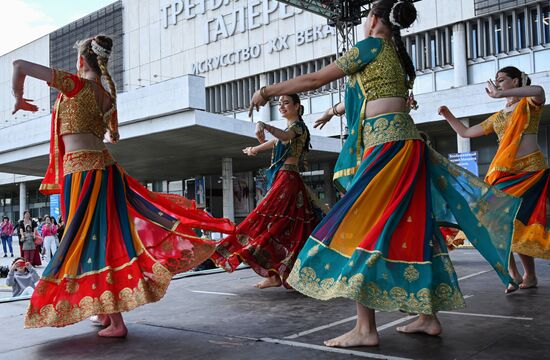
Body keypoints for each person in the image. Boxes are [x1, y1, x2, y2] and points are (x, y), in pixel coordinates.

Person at [248, 0, 520, 347]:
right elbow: (370, 95)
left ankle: (365, 329)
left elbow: (316, 78)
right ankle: (427, 316)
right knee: (413, 225)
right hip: (407, 144)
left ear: (374, 18)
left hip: (387, 146)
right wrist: (333, 112)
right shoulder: (398, 56)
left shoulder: (370, 46)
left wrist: (268, 90)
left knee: (362, 223)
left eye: (366, 17)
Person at [12, 35, 235, 337]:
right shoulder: (105, 92)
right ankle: (107, 314)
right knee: (103, 239)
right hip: (101, 170)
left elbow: (19, 64)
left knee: (89, 242)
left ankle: (116, 321)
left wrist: (18, 97)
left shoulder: (76, 86)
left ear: (81, 61)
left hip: (82, 173)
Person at [439, 66, 548, 293]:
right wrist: (448, 115)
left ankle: (530, 275)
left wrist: (502, 95)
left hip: (530, 175)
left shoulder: (529, 104)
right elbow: (466, 133)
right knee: (493, 222)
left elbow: (539, 89)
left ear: (516, 81)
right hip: (503, 176)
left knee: (520, 224)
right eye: (496, 80)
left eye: (502, 79)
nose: (497, 83)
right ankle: (512, 274)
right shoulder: (498, 117)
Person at [212, 94, 323, 288]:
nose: (281, 106)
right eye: (279, 103)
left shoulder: (298, 128)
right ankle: (276, 274)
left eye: (286, 103)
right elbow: (276, 142)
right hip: (286, 179)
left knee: (267, 220)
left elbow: (284, 137)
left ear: (297, 106)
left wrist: (264, 125)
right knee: (283, 226)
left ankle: (277, 274)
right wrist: (255, 149)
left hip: (288, 180)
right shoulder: (290, 129)